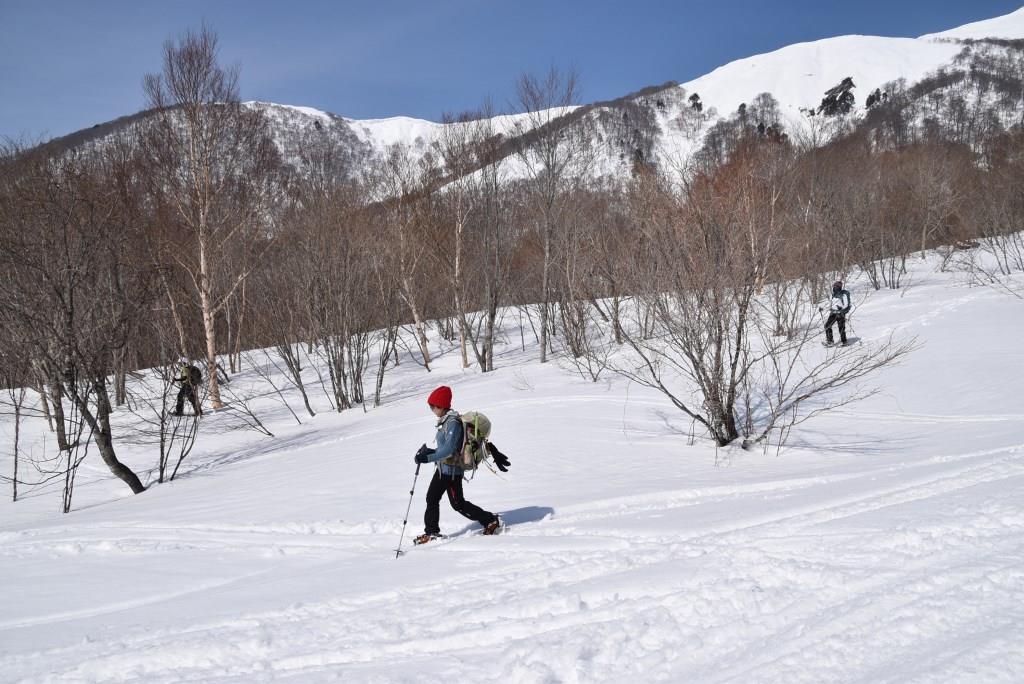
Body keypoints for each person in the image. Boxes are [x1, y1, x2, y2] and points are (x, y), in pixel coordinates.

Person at [413, 385, 500, 544]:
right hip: (443, 469)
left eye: (433, 406)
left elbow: (449, 449)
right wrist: (428, 452)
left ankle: (490, 520)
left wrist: (427, 459)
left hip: (451, 472)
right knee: (433, 499)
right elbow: (444, 448)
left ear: (442, 405)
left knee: (458, 504)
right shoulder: (445, 421)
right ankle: (432, 532)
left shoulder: (453, 423)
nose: (431, 409)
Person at [823, 280, 852, 346]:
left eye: (836, 286)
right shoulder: (833, 294)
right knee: (827, 326)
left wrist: (841, 309)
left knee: (841, 327)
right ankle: (830, 341)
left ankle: (844, 342)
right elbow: (830, 303)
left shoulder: (844, 294)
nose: (834, 287)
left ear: (839, 287)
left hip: (840, 314)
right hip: (833, 313)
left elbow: (846, 304)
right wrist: (823, 308)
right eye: (834, 286)